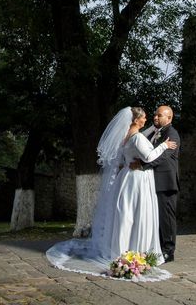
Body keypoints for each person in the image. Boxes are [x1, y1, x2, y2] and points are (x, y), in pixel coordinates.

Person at [46, 106, 177, 281]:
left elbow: (129, 156)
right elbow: (149, 157)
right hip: (137, 180)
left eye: (153, 116)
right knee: (135, 215)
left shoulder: (127, 137)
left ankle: (125, 248)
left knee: (126, 215)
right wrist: (163, 145)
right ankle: (134, 250)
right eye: (144, 117)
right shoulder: (137, 137)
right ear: (136, 120)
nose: (147, 119)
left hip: (129, 179)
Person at [135, 105, 181, 263]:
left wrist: (142, 165)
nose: (155, 117)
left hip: (166, 183)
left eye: (159, 115)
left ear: (169, 118)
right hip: (154, 181)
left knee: (167, 218)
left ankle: (169, 251)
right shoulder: (154, 133)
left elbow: (164, 157)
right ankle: (159, 248)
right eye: (155, 115)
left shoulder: (172, 134)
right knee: (158, 217)